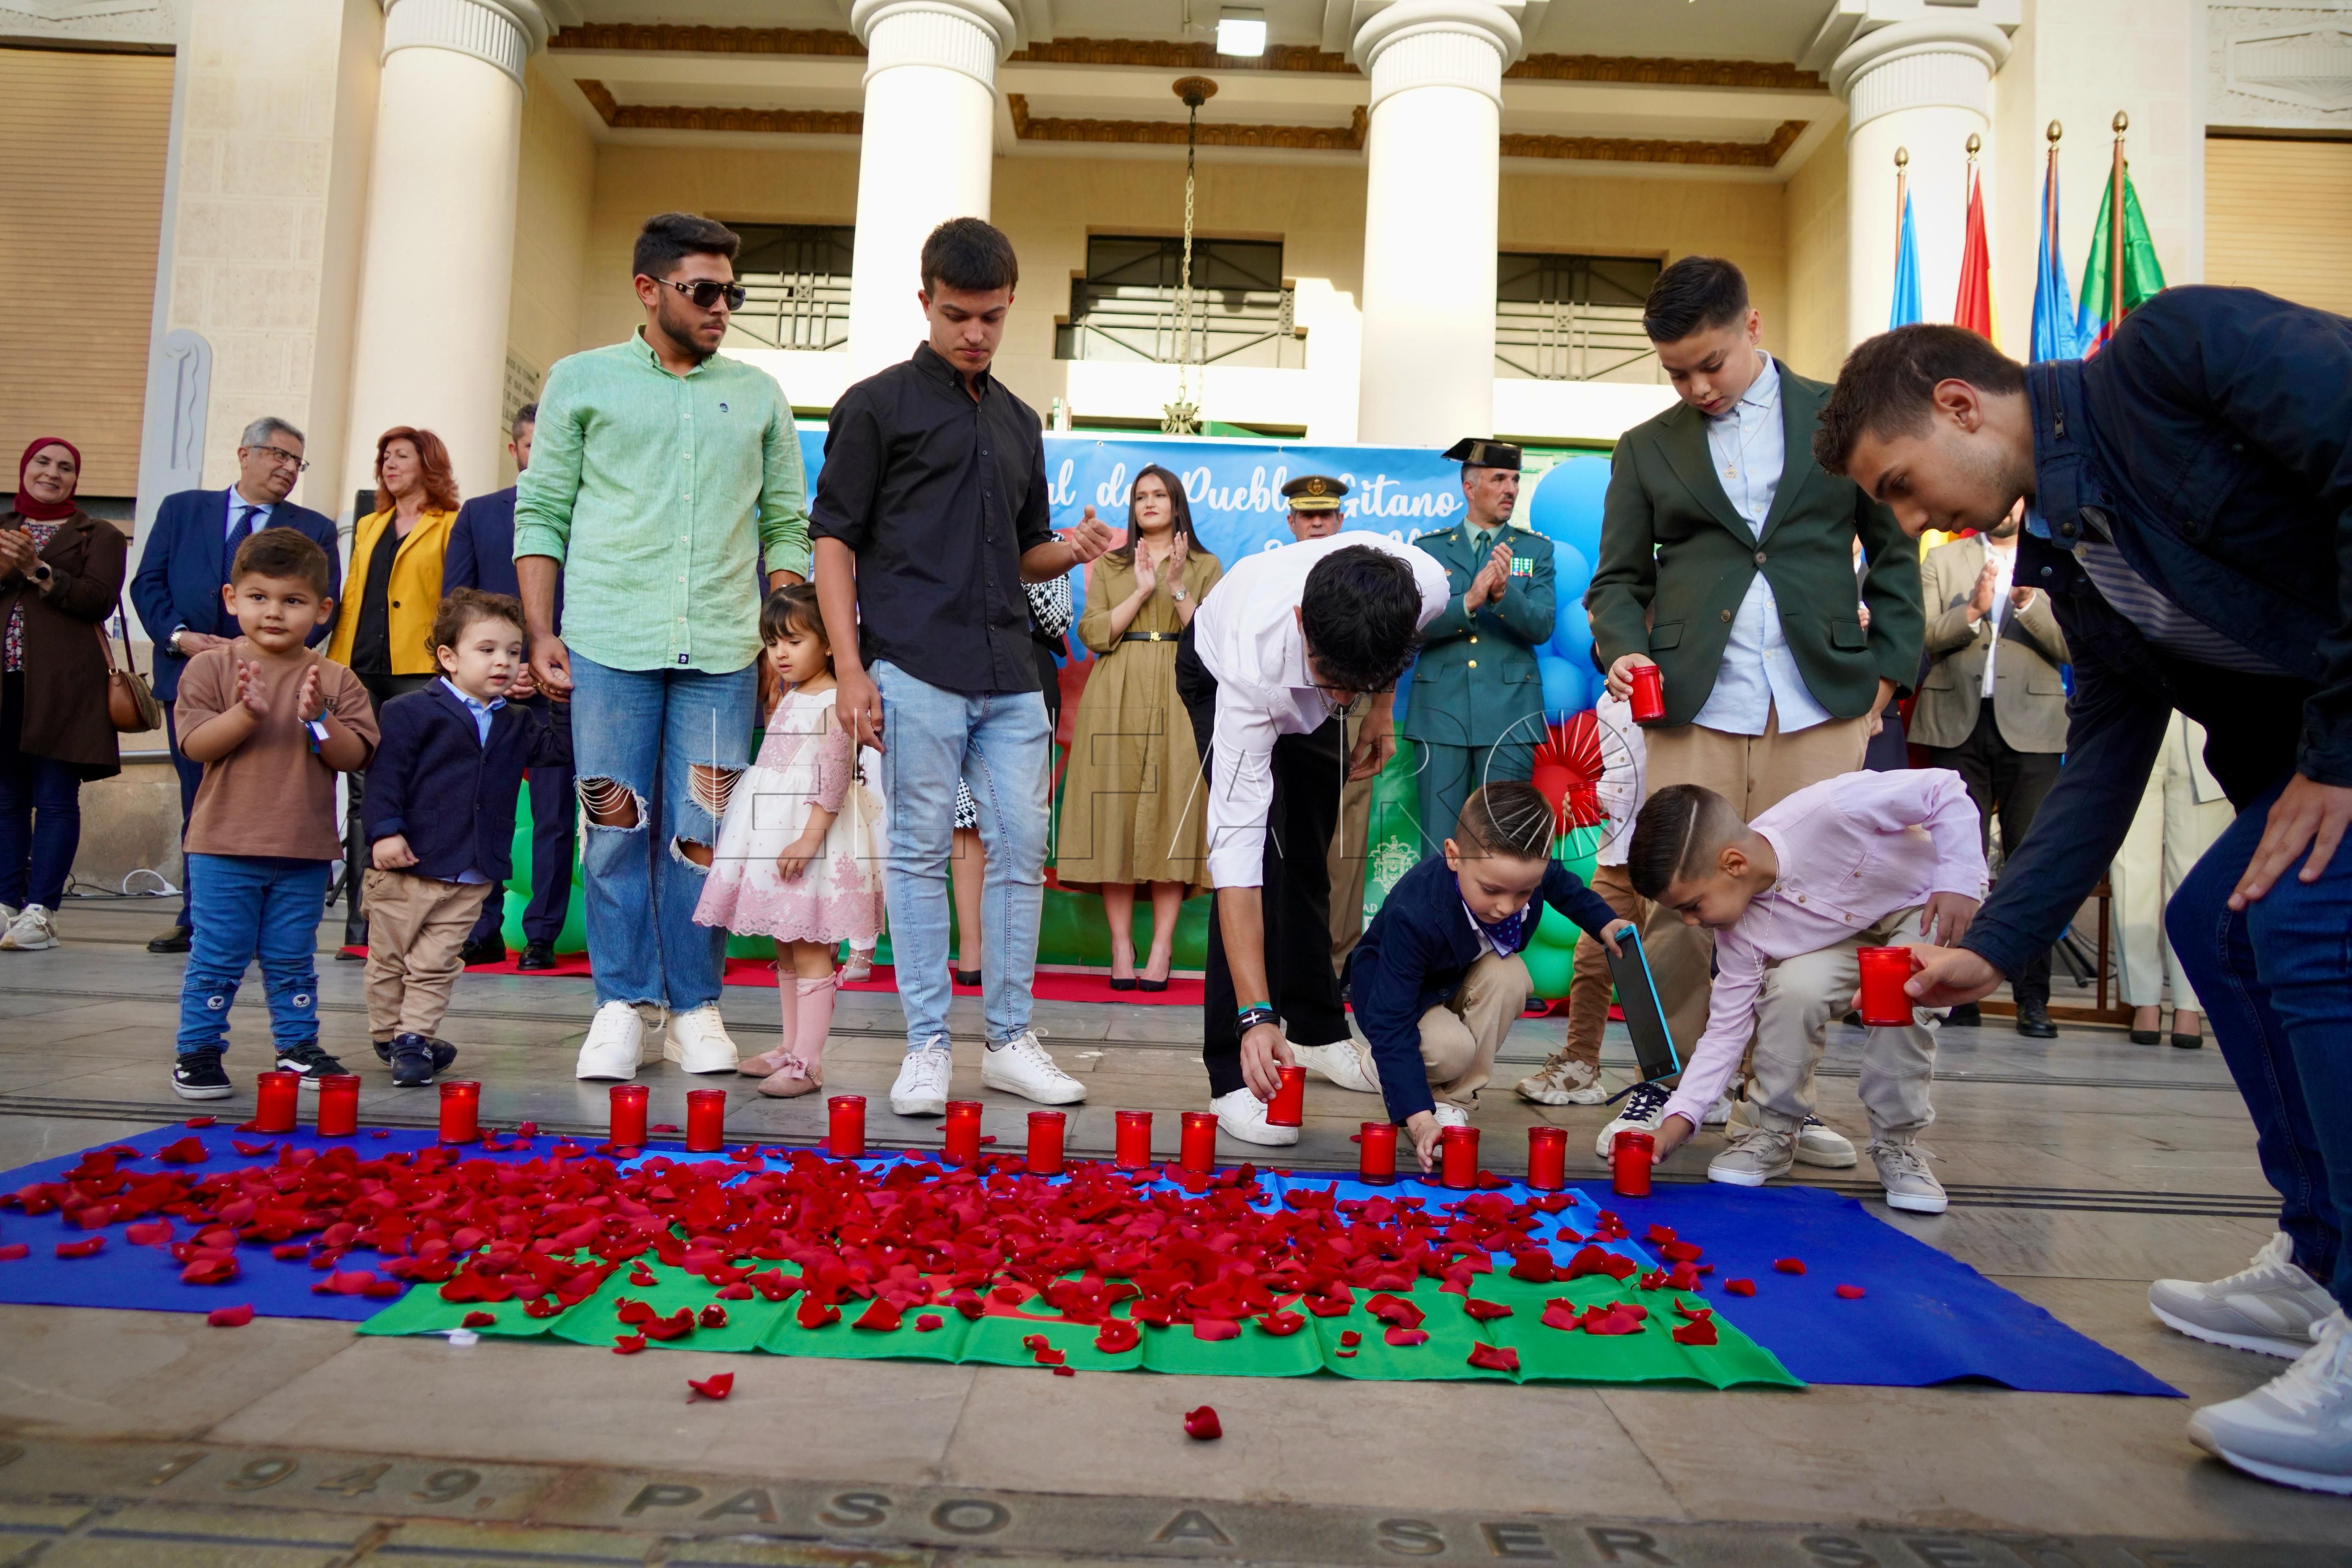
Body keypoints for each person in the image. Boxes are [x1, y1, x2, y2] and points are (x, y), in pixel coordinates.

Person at [1811, 293, 2352, 1492]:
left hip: (2339, 740)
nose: (1914, 521)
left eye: (1902, 485)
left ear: (1960, 405)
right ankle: (2323, 1260)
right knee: (2219, 923)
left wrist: (2340, 751)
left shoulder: (2175, 356)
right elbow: (2106, 753)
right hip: (2321, 752)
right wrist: (1998, 943)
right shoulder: (2073, 557)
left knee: (2303, 915)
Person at [1588, 255, 1921, 1168]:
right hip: (1692, 701)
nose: (1698, 387)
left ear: (1753, 327)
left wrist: (1886, 677)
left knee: (1805, 902)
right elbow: (1617, 580)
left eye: (1712, 363)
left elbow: (1895, 556)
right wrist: (1622, 647)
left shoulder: (1842, 414)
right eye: (1677, 374)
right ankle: (1667, 1081)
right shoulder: (1645, 447)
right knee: (1679, 901)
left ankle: (1781, 1103)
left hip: (1822, 700)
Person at [813, 216, 1110, 1118]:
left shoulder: (1019, 420)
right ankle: (926, 1047)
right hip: (913, 666)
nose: (975, 333)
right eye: (956, 315)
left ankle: (1011, 1039)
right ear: (925, 301)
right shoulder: (875, 405)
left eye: (990, 316)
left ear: (1011, 302)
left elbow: (1024, 552)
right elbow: (833, 540)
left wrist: (1070, 549)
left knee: (1022, 853)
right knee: (916, 854)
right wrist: (850, 668)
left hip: (1012, 672)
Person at [518, 212, 810, 1083]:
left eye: (733, 293)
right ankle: (621, 1002)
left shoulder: (758, 394)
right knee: (615, 827)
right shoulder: (581, 380)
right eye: (704, 291)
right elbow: (543, 512)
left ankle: (693, 1007)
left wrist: (784, 643)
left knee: (704, 832)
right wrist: (540, 629)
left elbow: (785, 524)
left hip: (723, 652)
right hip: (609, 643)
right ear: (649, 290)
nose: (722, 307)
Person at [1173, 531, 1450, 1145]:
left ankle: (1317, 1031)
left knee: (1309, 852)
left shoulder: (1426, 587)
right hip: (1221, 670)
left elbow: (1368, 662)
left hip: (1323, 658)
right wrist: (1255, 1015)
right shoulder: (1251, 667)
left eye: (1358, 682)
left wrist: (1378, 706)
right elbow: (1235, 861)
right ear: (1303, 622)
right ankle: (1233, 1070)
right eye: (1333, 679)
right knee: (1265, 855)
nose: (1342, 697)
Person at [1621, 772, 1985, 1211]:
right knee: (1791, 989)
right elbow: (1726, 1031)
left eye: (1692, 906)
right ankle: (1775, 1130)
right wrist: (1676, 1123)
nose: (1690, 922)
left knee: (1898, 991)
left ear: (1734, 864)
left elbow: (1942, 788)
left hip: (1923, 907)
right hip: (1847, 940)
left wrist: (1960, 879)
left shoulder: (1831, 808)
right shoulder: (1739, 933)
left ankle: (1897, 1144)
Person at [168, 529, 376, 1099]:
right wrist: (247, 713)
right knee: (217, 956)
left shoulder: (335, 679)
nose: (274, 612)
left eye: (293, 600)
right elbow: (196, 745)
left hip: (303, 850)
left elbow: (354, 755)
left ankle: (297, 1045)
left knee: (292, 959)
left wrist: (318, 719)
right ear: (232, 598)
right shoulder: (210, 668)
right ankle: (198, 1049)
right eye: (259, 597)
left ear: (322, 609)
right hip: (223, 846)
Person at [130, 416, 339, 954]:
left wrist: (259, 649)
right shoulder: (182, 510)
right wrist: (180, 637)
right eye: (279, 455)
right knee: (198, 799)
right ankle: (198, 918)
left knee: (265, 799)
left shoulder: (313, 528)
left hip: (273, 687)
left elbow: (325, 606)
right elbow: (148, 582)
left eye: (297, 461)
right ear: (245, 453)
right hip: (190, 676)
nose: (288, 468)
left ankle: (263, 919)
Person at [1342, 781, 1625, 1170]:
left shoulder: (1524, 873)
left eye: (1524, 892)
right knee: (1452, 1051)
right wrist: (1419, 1120)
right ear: (1453, 856)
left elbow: (1566, 888)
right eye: (1491, 890)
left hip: (1455, 977)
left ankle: (1452, 1100)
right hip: (1394, 997)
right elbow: (1391, 1017)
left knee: (1512, 977)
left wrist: (1605, 922)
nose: (1506, 907)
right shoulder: (1417, 912)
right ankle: (1391, 1073)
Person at [362, 589, 568, 1086]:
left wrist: (559, 700)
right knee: (389, 961)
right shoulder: (410, 711)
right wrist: (385, 832)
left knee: (435, 963)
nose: (503, 662)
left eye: (514, 652)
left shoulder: (516, 720)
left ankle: (413, 1038)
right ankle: (388, 1035)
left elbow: (558, 751)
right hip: (408, 867)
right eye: (487, 649)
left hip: (472, 871)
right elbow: (385, 778)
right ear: (449, 657)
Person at [695, 584, 884, 1096]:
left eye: (794, 641)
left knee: (810, 945)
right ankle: (790, 1046)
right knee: (786, 943)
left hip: (811, 836)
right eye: (773, 642)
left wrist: (808, 840)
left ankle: (809, 1063)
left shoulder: (837, 701)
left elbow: (833, 779)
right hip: (773, 831)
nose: (780, 653)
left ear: (830, 642)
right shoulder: (791, 694)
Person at [1057, 464, 1220, 989]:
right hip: (1116, 689)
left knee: (1172, 811)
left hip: (1180, 689)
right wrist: (1140, 591)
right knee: (1115, 815)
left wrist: (1175, 587)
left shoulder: (1204, 563)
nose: (1149, 502)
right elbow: (1092, 633)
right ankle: (1120, 945)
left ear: (1176, 503)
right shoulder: (1110, 562)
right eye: (1140, 496)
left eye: (1159, 495)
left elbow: (1212, 640)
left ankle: (1161, 947)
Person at [1911, 501, 2069, 1036]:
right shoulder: (1943, 559)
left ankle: (2032, 996)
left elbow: (2073, 645)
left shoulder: (2054, 559)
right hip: (1955, 724)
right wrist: (1973, 611)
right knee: (1958, 858)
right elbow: (1922, 635)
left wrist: (2028, 604)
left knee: (2033, 858)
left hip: (2033, 728)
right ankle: (1956, 994)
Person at [443, 402, 574, 972]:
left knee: (554, 816)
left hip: (562, 685)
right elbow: (456, 603)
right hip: (488, 689)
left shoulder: (590, 512)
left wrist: (542, 663)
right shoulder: (478, 513)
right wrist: (499, 666)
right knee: (485, 808)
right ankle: (483, 929)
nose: (541, 455)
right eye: (531, 444)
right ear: (514, 448)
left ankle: (541, 934)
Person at [326, 426, 460, 950]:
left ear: (428, 464)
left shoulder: (449, 523)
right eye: (385, 456)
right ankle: (362, 924)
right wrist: (336, 664)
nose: (389, 464)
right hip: (361, 668)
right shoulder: (369, 525)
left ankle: (415, 916)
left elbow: (453, 600)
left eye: (401, 455)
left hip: (418, 669)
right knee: (362, 793)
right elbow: (352, 597)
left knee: (411, 788)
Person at [1402, 439, 1555, 860]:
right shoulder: (1429, 549)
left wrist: (1504, 595)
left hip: (1510, 713)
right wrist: (1468, 602)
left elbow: (1543, 625)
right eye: (1499, 479)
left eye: (1515, 480)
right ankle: (1439, 908)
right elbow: (1410, 627)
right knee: (1439, 845)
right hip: (1440, 713)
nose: (1511, 489)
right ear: (1469, 488)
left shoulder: (1535, 549)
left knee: (1506, 844)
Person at [0, 440, 124, 952]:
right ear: (24, 468)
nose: (52, 473)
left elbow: (100, 598)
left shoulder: (100, 533)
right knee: (6, 799)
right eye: (42, 463)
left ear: (76, 479)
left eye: (65, 467)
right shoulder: (3, 527)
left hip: (64, 687)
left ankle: (41, 911)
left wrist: (37, 567)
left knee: (54, 798)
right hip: (6, 682)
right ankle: (5, 903)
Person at [1269, 477, 1378, 972]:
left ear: (1340, 520)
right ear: (1290, 521)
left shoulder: (1363, 572)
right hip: (1284, 709)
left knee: (1346, 835)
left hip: (1348, 704)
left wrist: (1381, 710)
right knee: (1283, 832)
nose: (1317, 523)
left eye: (1326, 514)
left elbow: (1389, 640)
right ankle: (1283, 959)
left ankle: (1335, 962)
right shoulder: (1270, 574)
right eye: (1307, 515)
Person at [1517, 689, 1646, 1105]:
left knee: (1676, 967)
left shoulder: (1682, 688)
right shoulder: (1609, 702)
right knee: (1592, 959)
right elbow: (1627, 778)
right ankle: (1581, 1064)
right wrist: (1597, 796)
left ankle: (1683, 1080)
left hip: (1667, 856)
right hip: (1617, 853)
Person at [946, 574, 1074, 988]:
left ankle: (1008, 961)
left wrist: (1018, 560)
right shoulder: (953, 541)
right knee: (963, 816)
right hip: (958, 663)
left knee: (1017, 818)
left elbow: (1057, 620)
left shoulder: (1047, 548)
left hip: (1025, 674)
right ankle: (971, 949)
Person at [2110, 713, 2232, 1048]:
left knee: (2194, 878)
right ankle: (2143, 999)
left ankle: (2189, 1003)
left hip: (2205, 715)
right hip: (2136, 710)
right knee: (2131, 872)